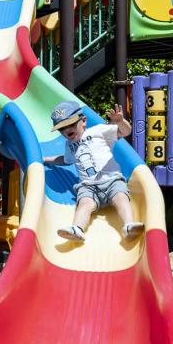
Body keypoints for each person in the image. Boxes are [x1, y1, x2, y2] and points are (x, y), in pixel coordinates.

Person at [45, 101, 144, 242]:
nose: (67, 130)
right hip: (88, 186)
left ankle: (128, 225)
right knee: (84, 203)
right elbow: (65, 160)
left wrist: (120, 121)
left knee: (120, 197)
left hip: (112, 180)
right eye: (62, 128)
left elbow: (125, 131)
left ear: (83, 121)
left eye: (71, 124)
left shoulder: (98, 131)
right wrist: (45, 159)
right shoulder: (69, 145)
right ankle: (77, 229)